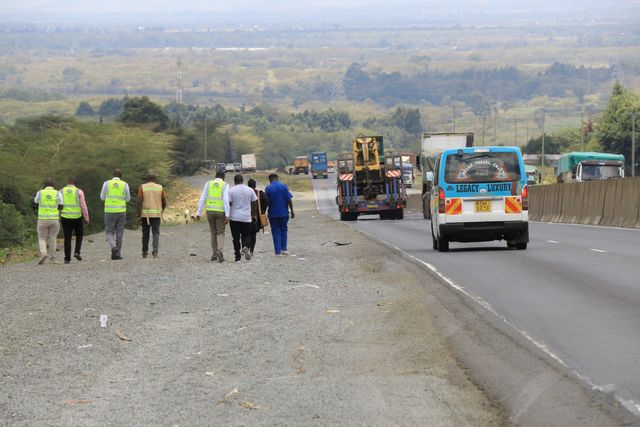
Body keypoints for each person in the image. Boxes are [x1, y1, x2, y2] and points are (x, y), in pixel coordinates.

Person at [196, 171, 230, 263]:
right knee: (220, 232)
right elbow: (226, 200)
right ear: (223, 177)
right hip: (221, 212)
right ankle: (220, 251)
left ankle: (214, 254)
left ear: (215, 177)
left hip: (210, 211)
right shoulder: (225, 185)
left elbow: (202, 198)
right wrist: (227, 215)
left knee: (213, 232)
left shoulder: (208, 183)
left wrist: (198, 213)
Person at [100, 168, 131, 260]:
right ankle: (117, 254)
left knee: (109, 232)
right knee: (119, 233)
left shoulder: (106, 183)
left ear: (113, 175)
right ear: (121, 176)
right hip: (121, 211)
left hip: (109, 211)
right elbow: (128, 199)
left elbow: (102, 197)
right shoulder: (125, 184)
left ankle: (113, 247)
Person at [59, 176, 90, 264]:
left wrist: (58, 216)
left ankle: (67, 258)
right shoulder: (79, 191)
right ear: (75, 183)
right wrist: (86, 217)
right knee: (79, 235)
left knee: (67, 237)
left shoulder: (60, 191)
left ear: (68, 182)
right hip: (77, 217)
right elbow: (83, 206)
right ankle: (77, 252)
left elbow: (58, 204)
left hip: (65, 217)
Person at [137, 171, 167, 259]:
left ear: (147, 179)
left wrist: (139, 214)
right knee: (156, 233)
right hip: (156, 214)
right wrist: (161, 210)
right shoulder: (160, 187)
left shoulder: (142, 187)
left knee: (145, 233)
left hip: (145, 215)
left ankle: (144, 252)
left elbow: (139, 201)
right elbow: (164, 201)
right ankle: (155, 252)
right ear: (155, 179)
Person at [228, 174, 258, 262]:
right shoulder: (250, 190)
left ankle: (237, 257)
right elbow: (254, 203)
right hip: (246, 218)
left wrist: (228, 214)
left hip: (234, 218)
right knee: (247, 235)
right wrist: (254, 215)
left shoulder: (231, 191)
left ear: (234, 181)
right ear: (242, 180)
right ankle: (245, 246)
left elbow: (229, 204)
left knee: (236, 238)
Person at [34, 177, 63, 264]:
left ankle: (43, 253)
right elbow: (61, 206)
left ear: (44, 185)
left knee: (42, 238)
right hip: (54, 219)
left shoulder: (40, 192)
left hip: (42, 219)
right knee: (53, 238)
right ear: (53, 185)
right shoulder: (58, 193)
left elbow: (35, 202)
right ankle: (53, 259)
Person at [264, 173, 294, 255]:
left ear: (270, 179)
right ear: (277, 178)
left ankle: (277, 250)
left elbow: (266, 201)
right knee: (284, 229)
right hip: (284, 213)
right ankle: (284, 249)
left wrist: (263, 212)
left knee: (275, 230)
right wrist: (292, 210)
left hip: (273, 214)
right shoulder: (284, 187)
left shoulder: (268, 188)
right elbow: (289, 200)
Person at [247, 178, 268, 257]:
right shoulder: (259, 193)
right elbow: (266, 200)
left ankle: (246, 247)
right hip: (256, 218)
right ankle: (251, 251)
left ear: (248, 185)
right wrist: (262, 211)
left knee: (246, 234)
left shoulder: (246, 192)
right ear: (255, 185)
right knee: (253, 235)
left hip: (246, 217)